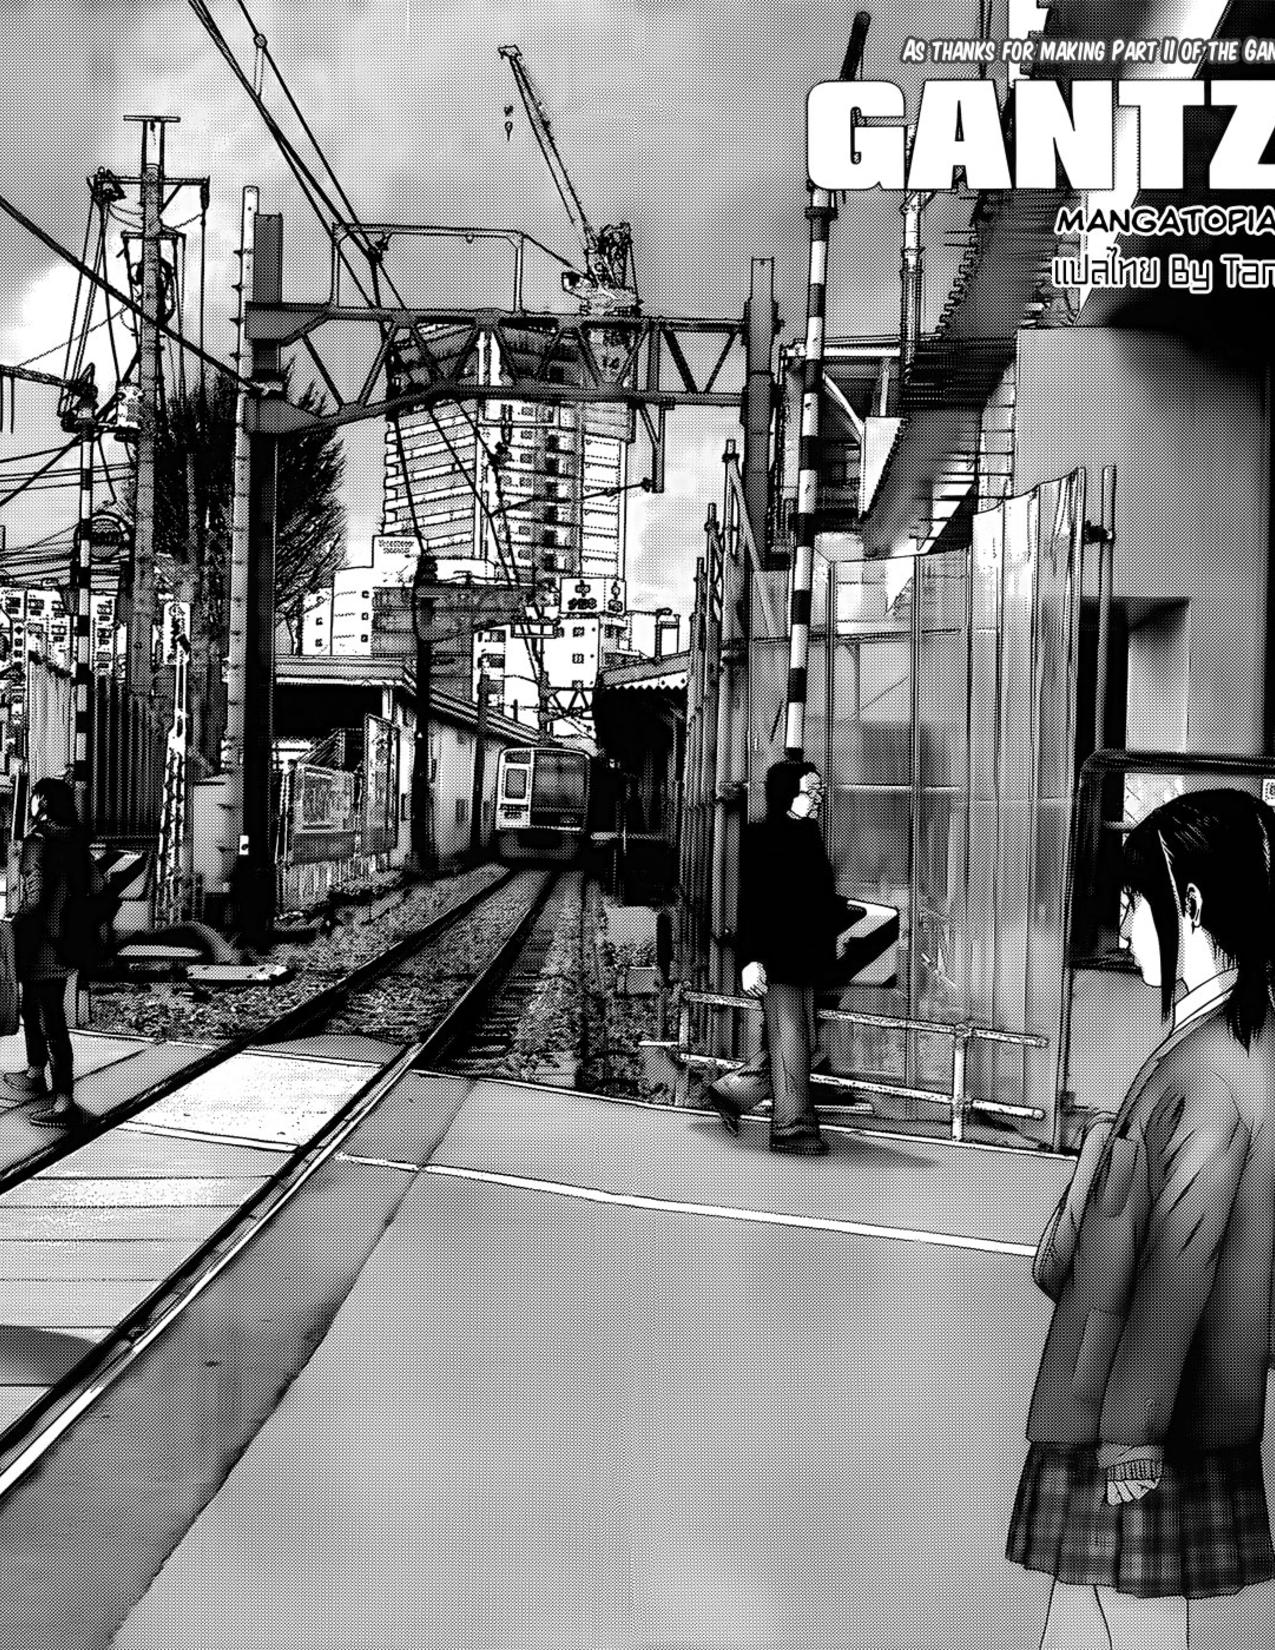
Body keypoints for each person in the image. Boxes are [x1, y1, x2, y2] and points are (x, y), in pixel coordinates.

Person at [1007, 789, 1275, 1649]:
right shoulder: (1228, 1042)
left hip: (1144, 1411)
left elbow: (1179, 1264)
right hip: (1152, 1398)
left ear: (1188, 903)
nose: (1122, 928)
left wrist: (1131, 1434)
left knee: (1126, 1620)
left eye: (1132, 902)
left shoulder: (1210, 1065)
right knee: (1088, 1615)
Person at [706, 758, 849, 1157]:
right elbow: (753, 905)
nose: (817, 798)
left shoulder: (808, 834)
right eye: (810, 791)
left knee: (803, 1041)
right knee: (792, 1039)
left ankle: (733, 1093)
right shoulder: (764, 838)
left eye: (820, 791)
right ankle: (792, 1128)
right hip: (777, 958)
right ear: (788, 794)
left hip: (803, 957)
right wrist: (751, 959)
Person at [4, 776, 91, 1130]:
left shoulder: (38, 841)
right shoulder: (76, 841)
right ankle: (35, 1072)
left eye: (35, 796)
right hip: (67, 942)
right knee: (35, 1008)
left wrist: (13, 924)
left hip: (41, 945)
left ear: (42, 802)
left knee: (49, 1018)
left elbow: (35, 898)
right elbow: (97, 885)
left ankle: (64, 1102)